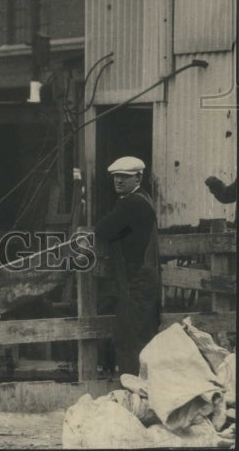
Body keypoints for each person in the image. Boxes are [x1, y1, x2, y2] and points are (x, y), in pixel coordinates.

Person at [93, 156, 161, 376]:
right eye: (116, 177)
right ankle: (138, 387)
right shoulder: (143, 200)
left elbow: (103, 230)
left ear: (138, 177)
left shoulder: (131, 203)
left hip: (136, 282)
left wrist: (113, 230)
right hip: (141, 280)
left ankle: (136, 389)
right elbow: (121, 232)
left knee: (130, 338)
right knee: (137, 336)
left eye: (125, 177)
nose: (119, 181)